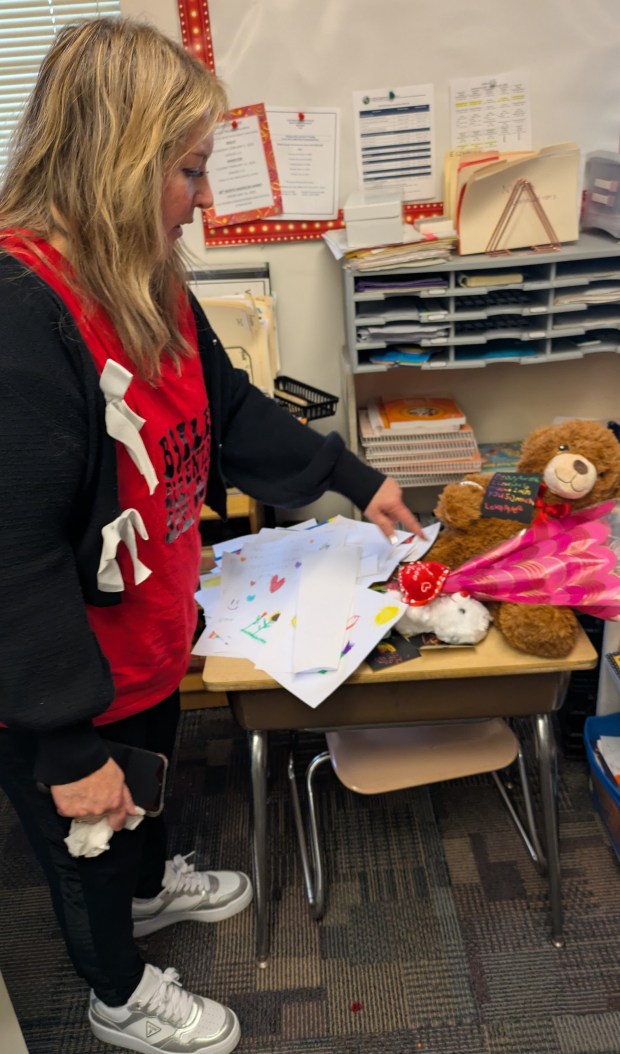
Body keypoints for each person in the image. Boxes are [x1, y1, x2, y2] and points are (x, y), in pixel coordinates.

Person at [0, 17, 423, 1054]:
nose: (204, 194)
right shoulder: (21, 312)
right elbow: (11, 556)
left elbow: (226, 414)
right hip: (57, 671)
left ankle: (144, 897)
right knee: (84, 832)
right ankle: (114, 989)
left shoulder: (147, 274)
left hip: (138, 637)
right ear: (119, 161)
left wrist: (351, 480)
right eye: (189, 169)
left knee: (141, 791)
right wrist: (62, 742)